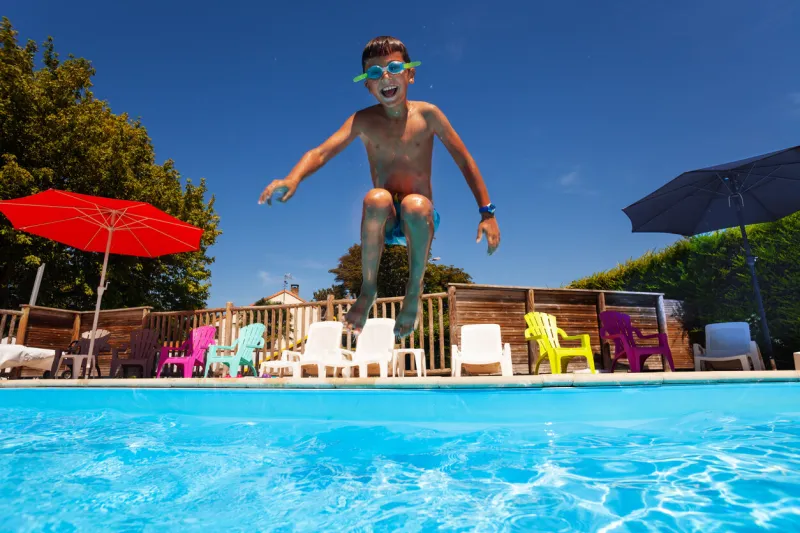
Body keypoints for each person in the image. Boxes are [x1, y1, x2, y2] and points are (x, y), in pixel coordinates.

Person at [259, 36, 500, 337]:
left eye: (394, 67)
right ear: (368, 85)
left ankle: (414, 289)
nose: (385, 76)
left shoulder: (429, 115)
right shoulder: (363, 120)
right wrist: (293, 177)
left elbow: (464, 160)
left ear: (410, 74)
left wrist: (486, 213)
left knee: (415, 204)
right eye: (374, 72)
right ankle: (368, 288)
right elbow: (321, 151)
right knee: (375, 197)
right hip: (385, 218)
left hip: (418, 219)